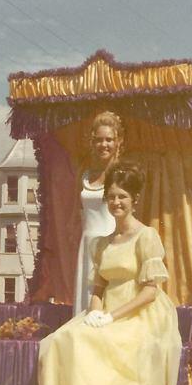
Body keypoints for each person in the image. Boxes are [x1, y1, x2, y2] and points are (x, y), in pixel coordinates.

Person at [38, 163, 182, 385]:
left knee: (112, 340)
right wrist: (94, 313)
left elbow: (150, 291)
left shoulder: (145, 236)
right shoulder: (103, 243)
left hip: (140, 310)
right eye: (112, 196)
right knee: (62, 339)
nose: (116, 202)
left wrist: (112, 317)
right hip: (106, 308)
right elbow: (99, 288)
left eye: (122, 197)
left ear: (134, 200)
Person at [73, 111, 123, 316]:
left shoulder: (122, 175)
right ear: (92, 142)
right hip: (87, 246)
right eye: (99, 140)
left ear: (118, 142)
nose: (104, 144)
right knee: (86, 299)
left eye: (109, 140)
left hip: (112, 242)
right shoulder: (84, 176)